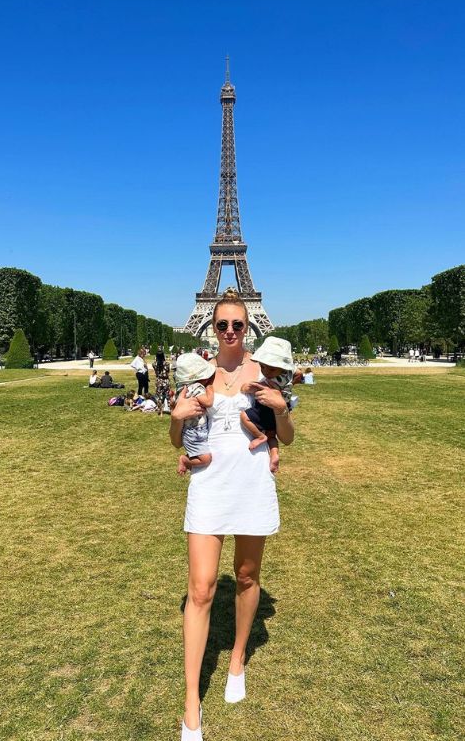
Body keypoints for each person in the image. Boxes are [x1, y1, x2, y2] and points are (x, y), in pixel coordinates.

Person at [170, 289, 294, 740]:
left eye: (236, 325)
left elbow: (288, 435)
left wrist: (281, 411)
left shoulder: (267, 373)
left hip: (250, 485)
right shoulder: (197, 374)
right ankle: (190, 702)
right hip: (209, 489)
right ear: (211, 327)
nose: (228, 332)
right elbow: (176, 438)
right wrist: (176, 418)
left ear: (249, 327)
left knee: (245, 576)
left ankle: (238, 656)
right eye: (220, 325)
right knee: (200, 590)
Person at [239, 336, 294, 474]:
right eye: (263, 367)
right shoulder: (285, 376)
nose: (266, 372)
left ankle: (259, 436)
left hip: (265, 409)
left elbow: (261, 387)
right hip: (275, 414)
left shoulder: (272, 380)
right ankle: (274, 453)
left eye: (271, 368)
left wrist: (248, 387)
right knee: (271, 435)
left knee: (244, 417)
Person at [173, 353, 215, 475]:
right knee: (206, 459)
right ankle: (185, 460)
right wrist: (210, 388)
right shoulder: (196, 387)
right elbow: (208, 402)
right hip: (195, 431)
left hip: (191, 431)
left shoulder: (182, 388)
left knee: (202, 455)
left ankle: (190, 458)